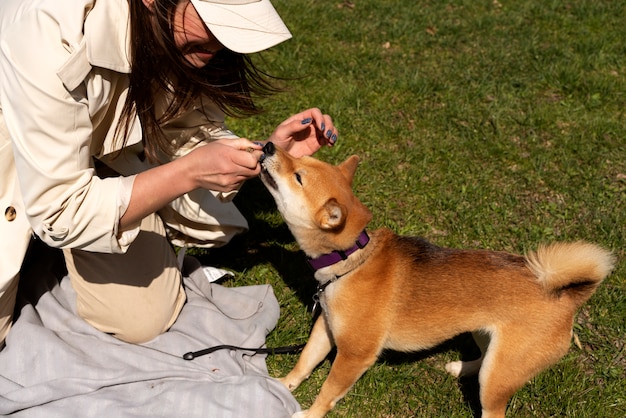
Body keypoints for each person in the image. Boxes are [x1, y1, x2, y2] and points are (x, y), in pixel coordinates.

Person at [0, 0, 339, 347]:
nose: (223, 43)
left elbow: (183, 129)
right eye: (214, 22)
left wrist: (265, 155)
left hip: (99, 163)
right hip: (11, 150)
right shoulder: (48, 26)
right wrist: (187, 174)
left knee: (143, 318)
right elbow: (61, 209)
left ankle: (66, 243)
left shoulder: (167, 30)